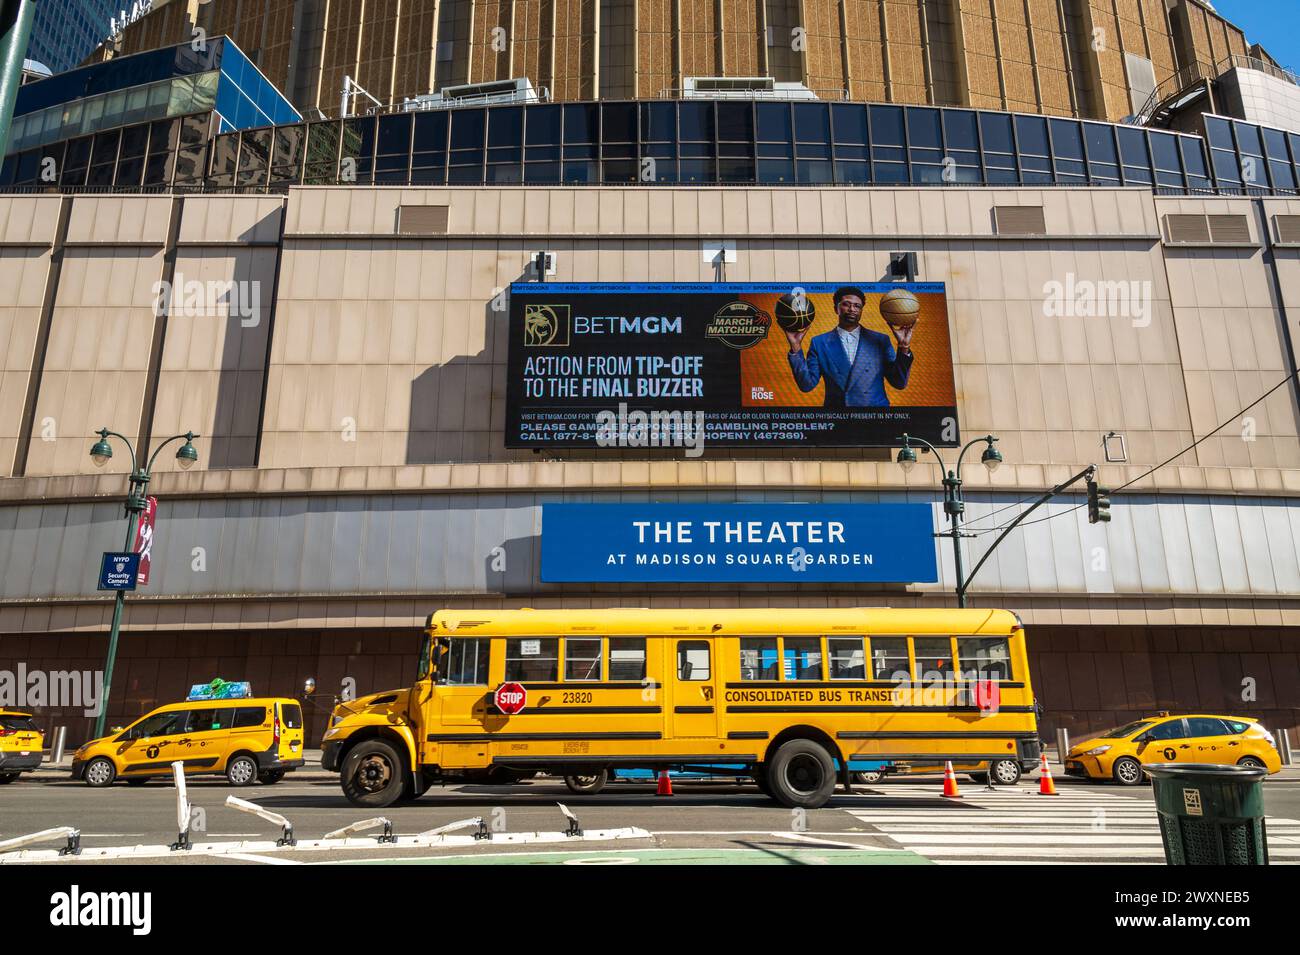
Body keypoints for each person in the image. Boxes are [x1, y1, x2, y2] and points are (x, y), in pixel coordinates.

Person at [786, 286, 913, 407]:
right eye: (846, 304)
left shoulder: (880, 340)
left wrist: (904, 347)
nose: (852, 309)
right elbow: (806, 385)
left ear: (861, 310)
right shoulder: (819, 342)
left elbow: (899, 383)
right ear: (836, 308)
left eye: (857, 306)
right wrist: (796, 347)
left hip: (875, 418)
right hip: (838, 418)